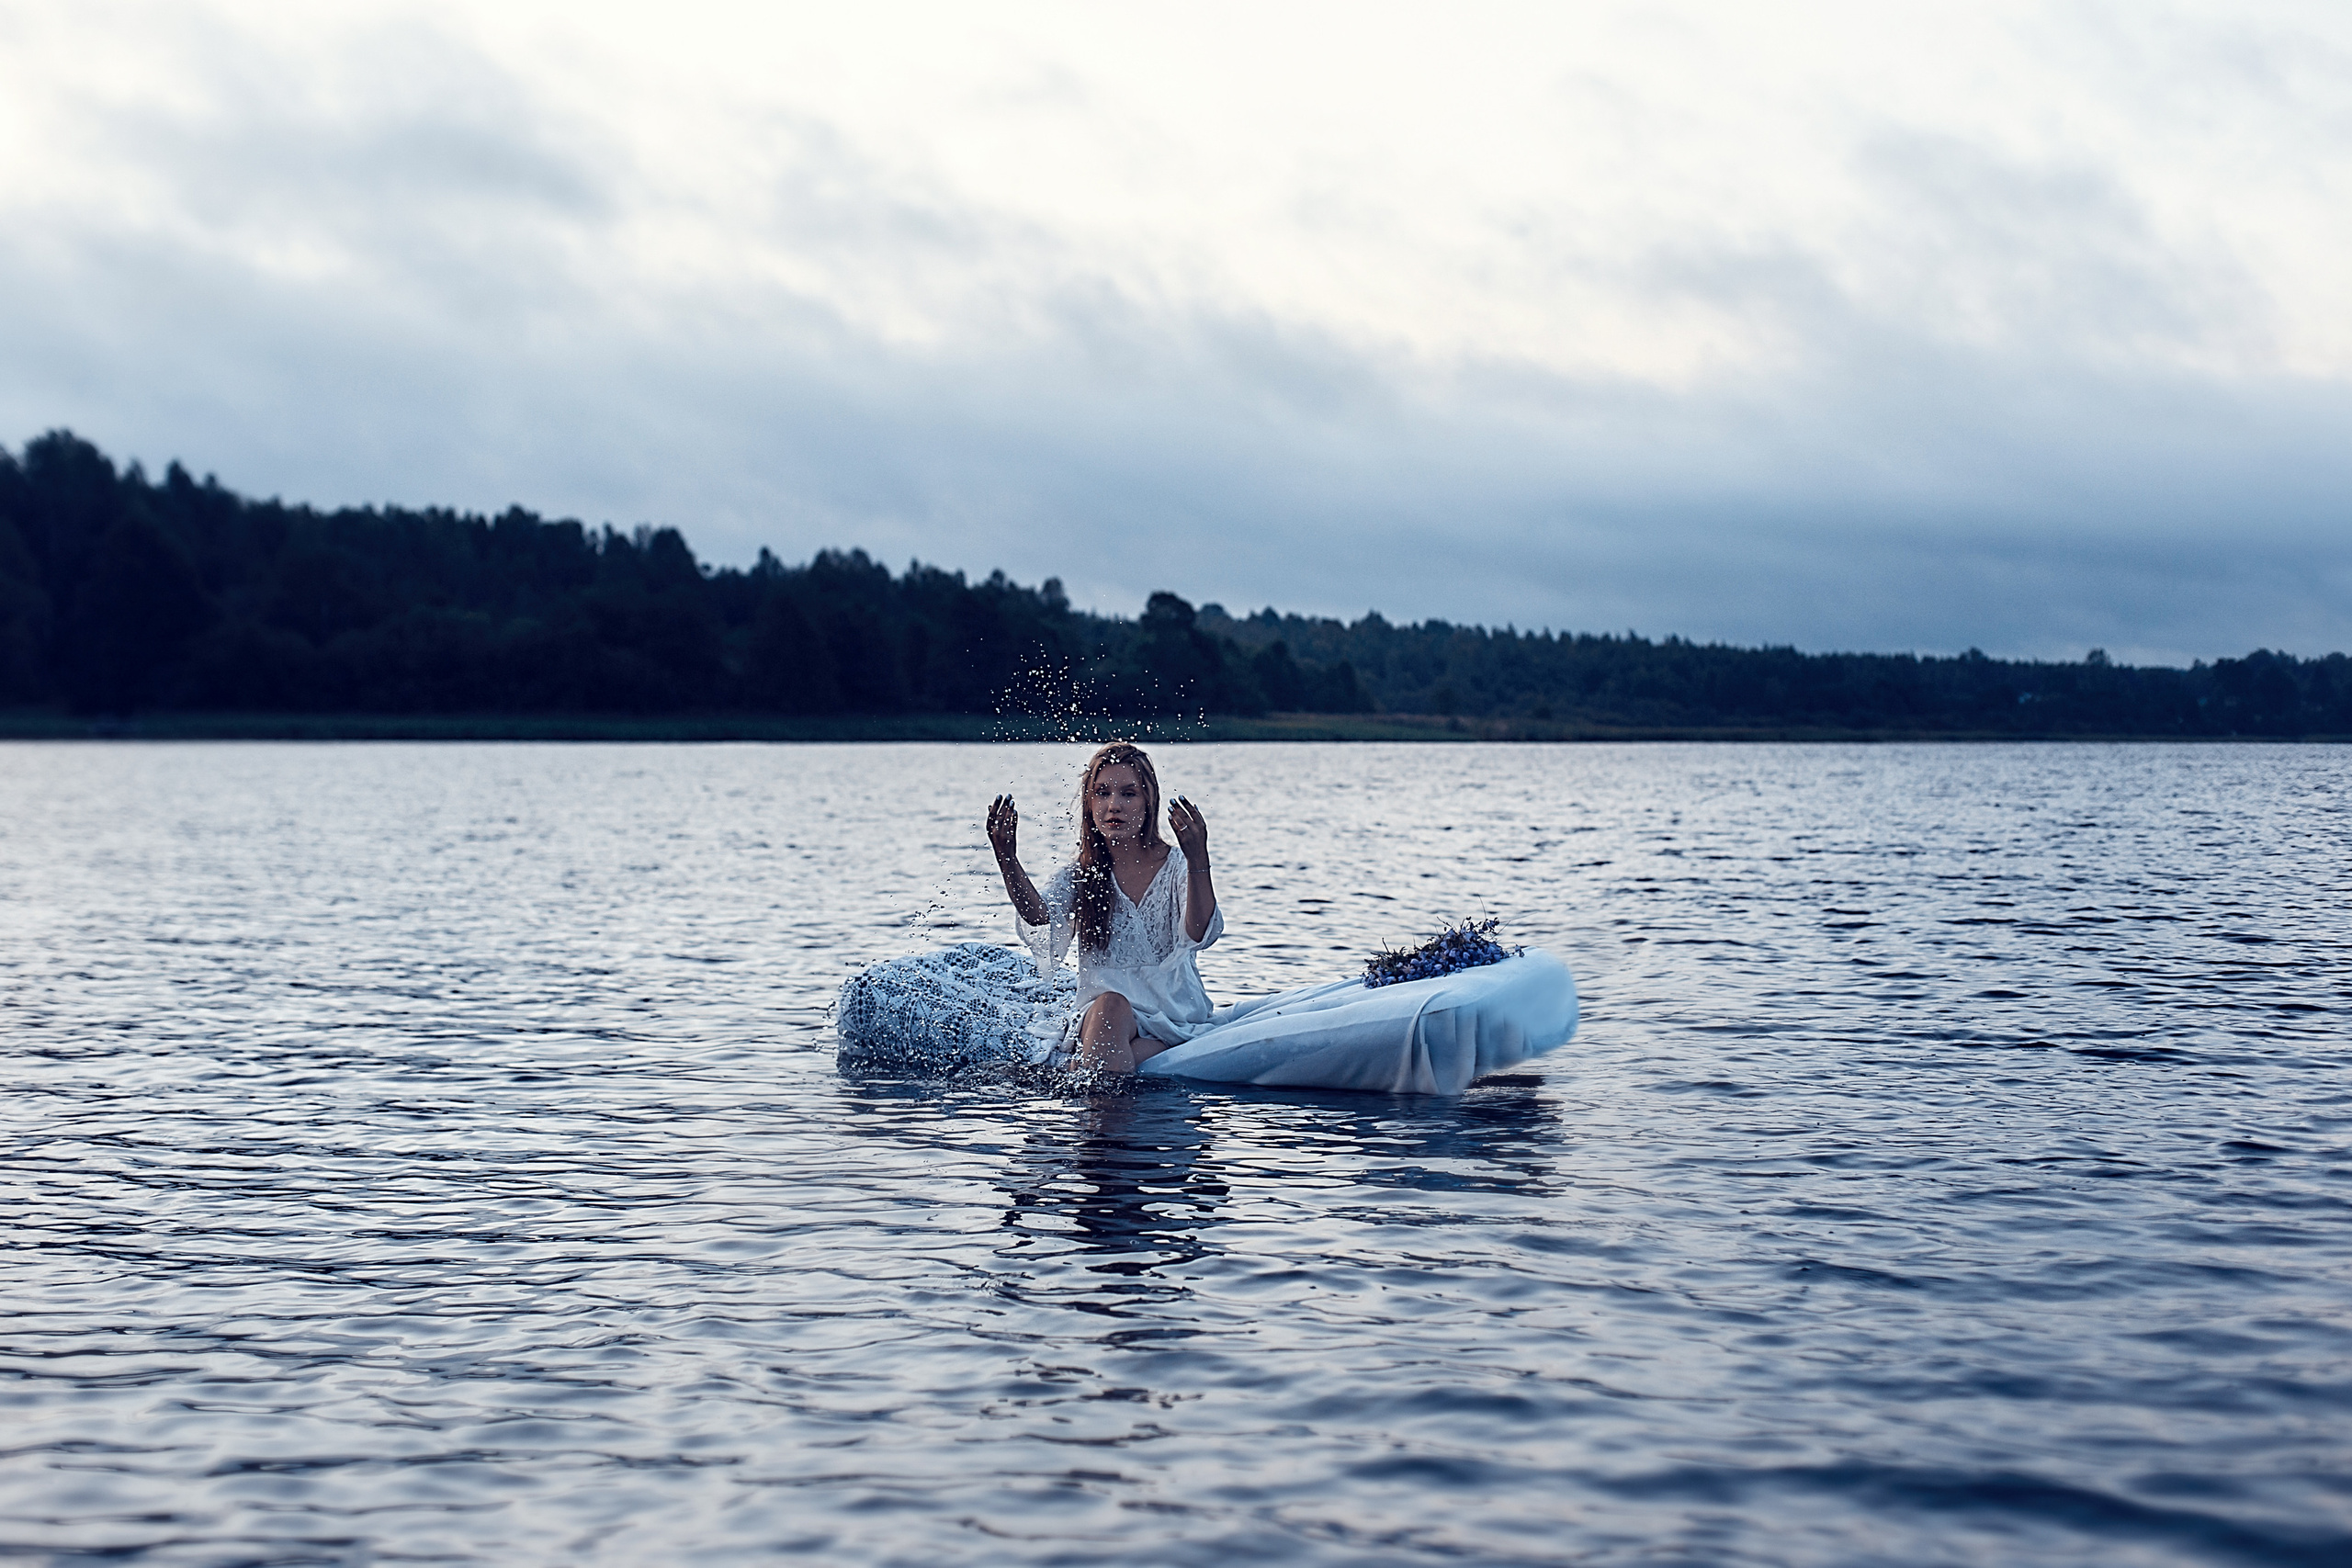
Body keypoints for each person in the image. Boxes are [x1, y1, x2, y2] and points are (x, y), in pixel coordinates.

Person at [988, 741, 1220, 1073]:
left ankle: (1092, 1093)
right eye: (1102, 793)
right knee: (1110, 1006)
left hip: (1173, 1016)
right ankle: (1103, 1100)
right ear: (1089, 803)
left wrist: (1199, 858)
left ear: (1148, 802)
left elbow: (1198, 933)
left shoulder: (1176, 867)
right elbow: (1041, 917)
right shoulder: (1081, 874)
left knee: (1101, 1062)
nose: (1114, 806)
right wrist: (1007, 860)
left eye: (1128, 794)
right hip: (1104, 1016)